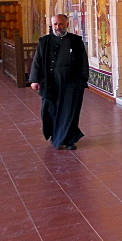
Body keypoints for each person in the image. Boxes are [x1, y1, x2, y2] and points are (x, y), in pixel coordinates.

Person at [29, 14, 89, 150]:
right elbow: (37, 61)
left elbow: (83, 61)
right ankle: (55, 135)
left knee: (70, 111)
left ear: (67, 24)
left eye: (61, 24)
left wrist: (83, 80)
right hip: (50, 83)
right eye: (55, 24)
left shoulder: (76, 41)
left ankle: (69, 140)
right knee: (50, 110)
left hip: (72, 83)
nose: (58, 27)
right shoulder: (45, 41)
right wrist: (34, 80)